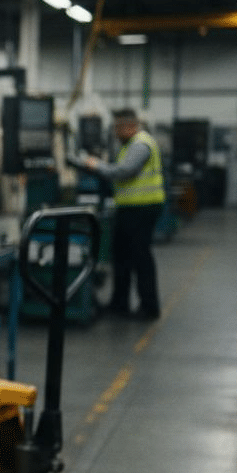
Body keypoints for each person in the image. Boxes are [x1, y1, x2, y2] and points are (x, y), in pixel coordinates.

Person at [81, 108, 165, 320]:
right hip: (129, 208)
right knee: (121, 257)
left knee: (140, 258)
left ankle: (149, 306)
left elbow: (122, 172)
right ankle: (120, 303)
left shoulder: (140, 144)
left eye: (117, 127)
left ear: (129, 126)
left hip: (142, 209)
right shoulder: (128, 145)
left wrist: (94, 165)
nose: (115, 132)